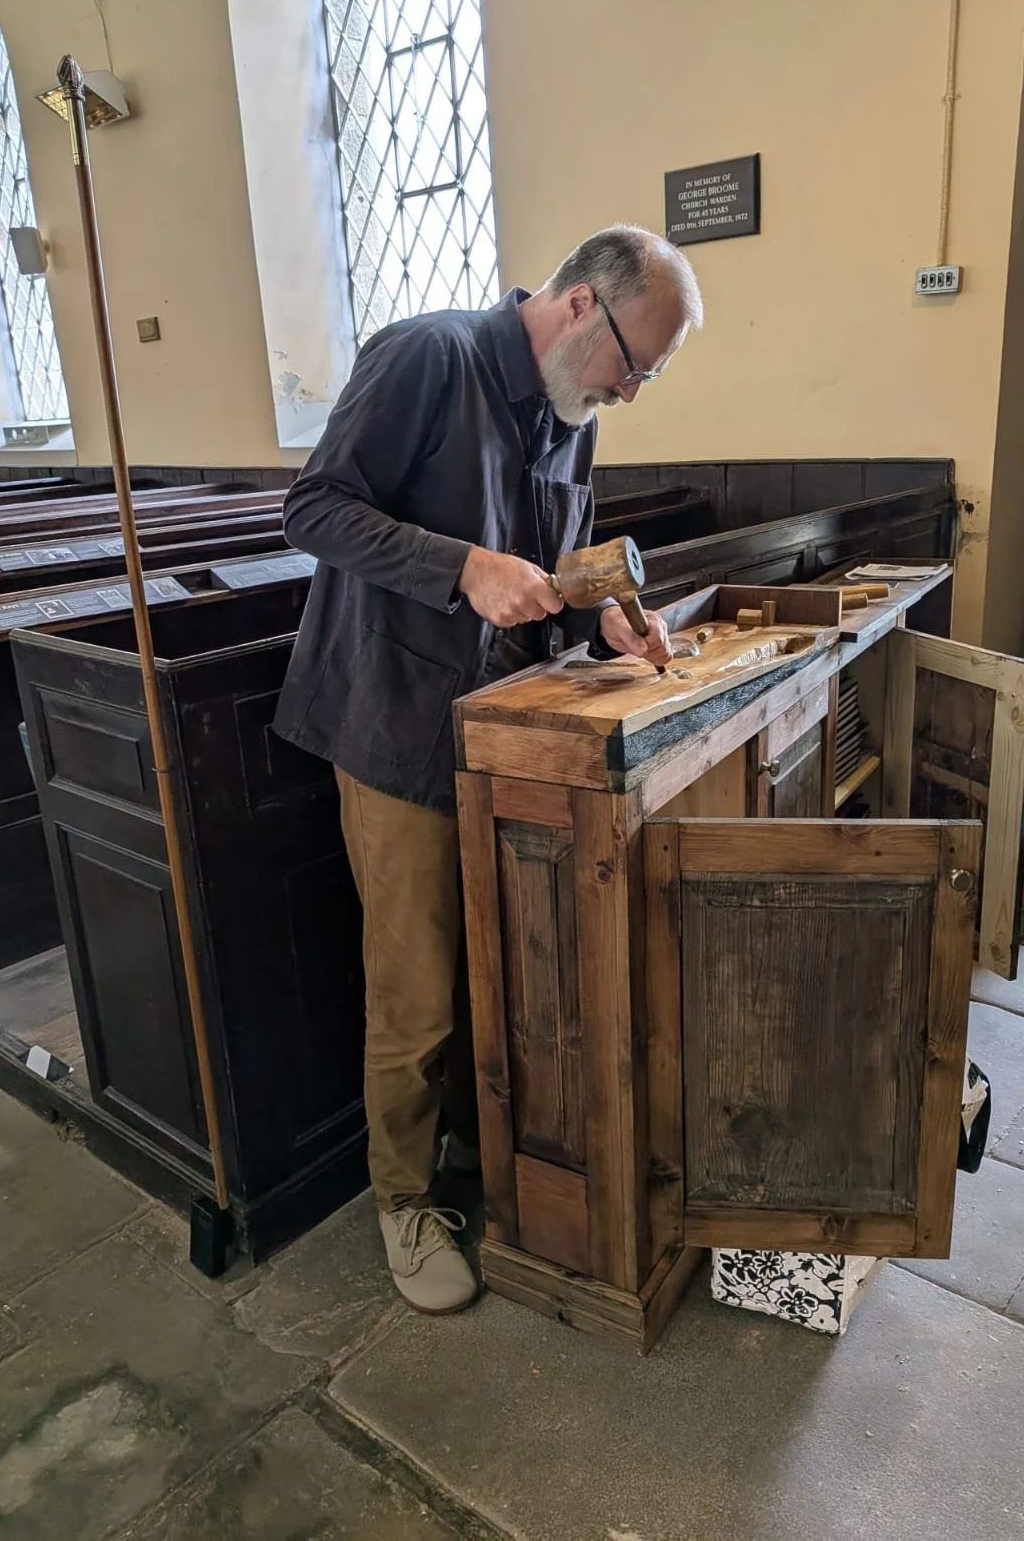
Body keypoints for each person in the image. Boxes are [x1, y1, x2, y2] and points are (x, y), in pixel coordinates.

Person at [274, 225, 703, 1314]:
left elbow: (558, 571)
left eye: (647, 376)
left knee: (503, 972)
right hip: (393, 726)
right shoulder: (428, 356)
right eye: (634, 366)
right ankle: (404, 1197)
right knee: (415, 991)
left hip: (505, 735)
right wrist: (459, 566)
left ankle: (484, 1147)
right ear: (576, 307)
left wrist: (606, 618)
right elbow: (313, 509)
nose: (633, 392)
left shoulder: (572, 413)